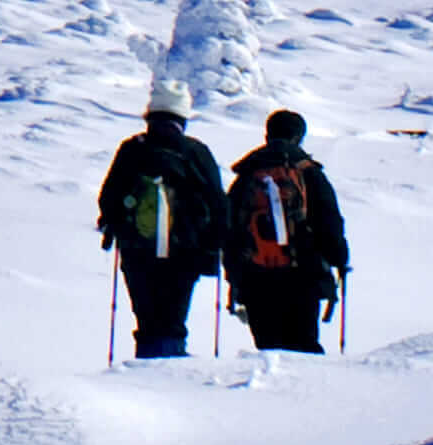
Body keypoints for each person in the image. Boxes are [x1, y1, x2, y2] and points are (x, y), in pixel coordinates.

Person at [95, 85, 226, 361]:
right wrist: (213, 246)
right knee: (173, 316)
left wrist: (115, 225)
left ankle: (147, 368)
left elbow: (108, 198)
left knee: (147, 317)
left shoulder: (132, 149)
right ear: (183, 118)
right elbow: (217, 203)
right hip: (185, 249)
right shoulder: (195, 152)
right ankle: (168, 372)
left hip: (137, 248)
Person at [223, 108, 351, 353]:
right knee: (304, 343)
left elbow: (229, 227)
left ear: (267, 135)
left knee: (268, 346)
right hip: (303, 271)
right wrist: (339, 260)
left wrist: (234, 273)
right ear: (299, 137)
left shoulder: (248, 175)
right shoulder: (308, 172)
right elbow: (329, 221)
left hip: (255, 274)